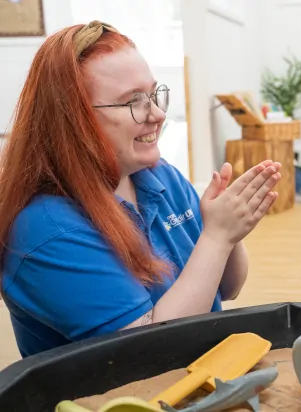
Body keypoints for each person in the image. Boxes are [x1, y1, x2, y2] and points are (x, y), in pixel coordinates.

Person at [0, 21, 281, 358]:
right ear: (73, 121)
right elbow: (151, 351)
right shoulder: (47, 231)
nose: (158, 114)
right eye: (134, 102)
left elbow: (229, 287)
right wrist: (217, 236)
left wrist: (231, 232)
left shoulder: (160, 177)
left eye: (153, 94)